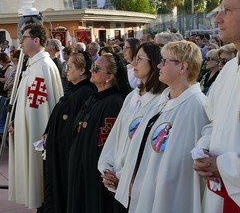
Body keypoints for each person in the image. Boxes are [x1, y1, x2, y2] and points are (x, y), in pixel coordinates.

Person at [127, 41, 209, 213]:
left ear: (182, 67)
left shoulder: (197, 106)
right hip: (147, 189)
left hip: (172, 198)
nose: (158, 65)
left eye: (165, 61)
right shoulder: (162, 101)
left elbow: (184, 164)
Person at [98, 43, 167, 213]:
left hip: (135, 181)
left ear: (155, 63)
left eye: (139, 58)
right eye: (134, 58)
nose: (133, 63)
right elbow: (117, 135)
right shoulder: (132, 96)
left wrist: (124, 175)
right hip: (118, 178)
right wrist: (107, 167)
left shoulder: (161, 101)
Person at [193, 0, 240, 213]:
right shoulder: (227, 72)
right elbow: (214, 123)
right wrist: (202, 149)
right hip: (219, 196)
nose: (218, 19)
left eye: (227, 11)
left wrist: (223, 166)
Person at [67, 53, 131, 213]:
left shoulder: (114, 103)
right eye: (92, 67)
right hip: (80, 168)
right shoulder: (94, 98)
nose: (91, 70)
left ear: (110, 76)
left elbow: (106, 145)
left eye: (96, 68)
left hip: (94, 176)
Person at [8, 24, 63, 211]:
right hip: (27, 129)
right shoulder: (32, 64)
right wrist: (17, 122)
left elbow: (40, 109)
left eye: (24, 37)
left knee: (42, 181)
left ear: (36, 40)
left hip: (38, 133)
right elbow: (25, 102)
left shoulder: (44, 66)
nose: (20, 42)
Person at [43, 52, 96, 213]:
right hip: (59, 151)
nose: (66, 70)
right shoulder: (73, 90)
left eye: (70, 66)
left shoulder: (86, 92)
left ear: (81, 70)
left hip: (66, 153)